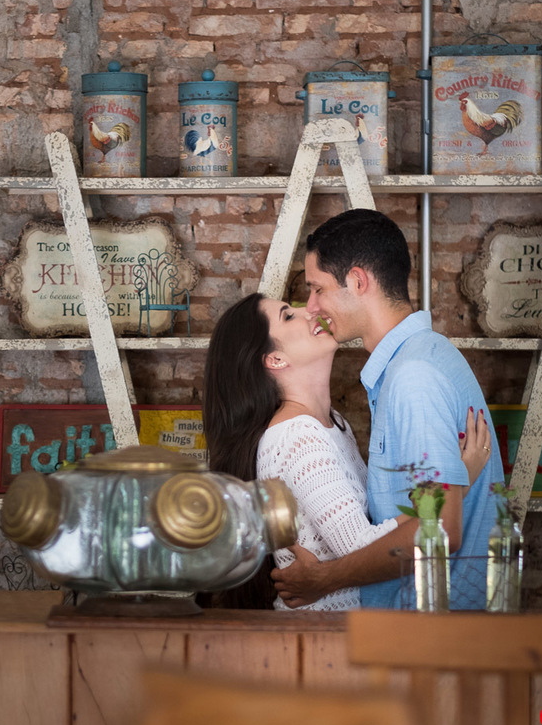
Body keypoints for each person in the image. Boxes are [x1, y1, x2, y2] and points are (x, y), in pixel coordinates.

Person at [271, 207, 506, 610]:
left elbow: (442, 532)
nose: (311, 306)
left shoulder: (413, 377)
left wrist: (324, 578)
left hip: (435, 636)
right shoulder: (416, 360)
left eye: (318, 288)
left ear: (358, 281)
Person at [202, 292, 490, 611]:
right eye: (288, 315)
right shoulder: (297, 435)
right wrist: (460, 482)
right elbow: (361, 546)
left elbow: (369, 527)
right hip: (320, 642)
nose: (308, 310)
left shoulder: (332, 423)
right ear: (275, 360)